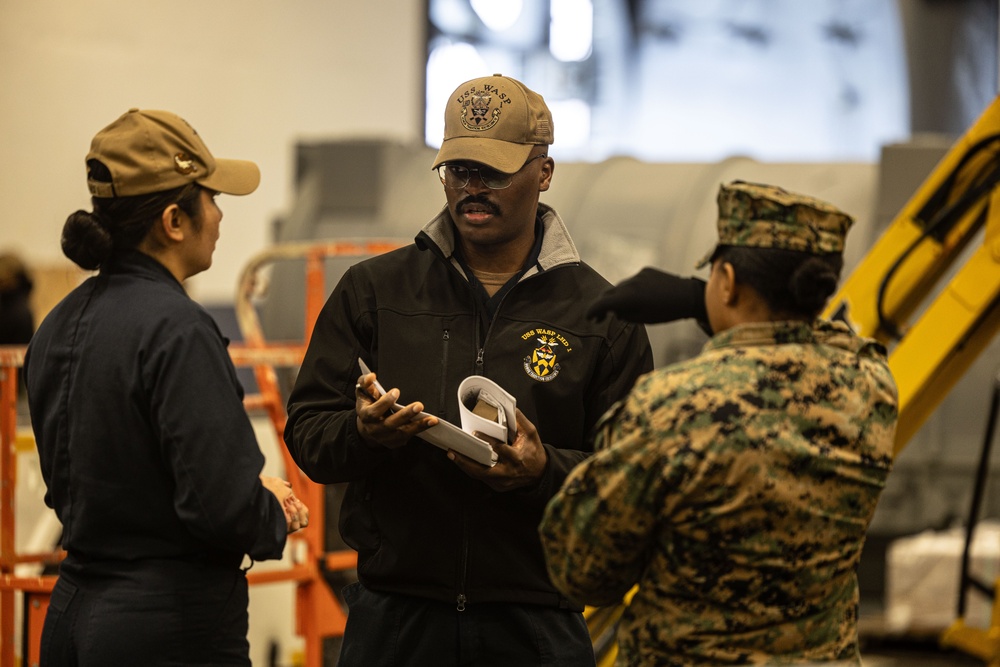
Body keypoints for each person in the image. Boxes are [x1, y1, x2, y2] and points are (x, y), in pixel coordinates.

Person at [283, 74, 653, 666]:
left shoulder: (603, 317)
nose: (472, 188)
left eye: (495, 172)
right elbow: (307, 433)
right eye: (458, 171)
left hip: (536, 627)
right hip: (395, 626)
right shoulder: (373, 293)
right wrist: (364, 434)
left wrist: (542, 470)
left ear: (545, 172)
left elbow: (636, 483)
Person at [539, 181, 899, 666]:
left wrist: (701, 303)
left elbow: (583, 571)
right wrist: (712, 304)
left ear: (727, 280)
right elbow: (837, 341)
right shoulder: (871, 386)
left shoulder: (675, 404)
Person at [24, 108, 309, 666]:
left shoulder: (57, 324)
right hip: (167, 629)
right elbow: (222, 508)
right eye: (211, 199)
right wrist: (269, 507)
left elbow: (78, 488)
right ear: (174, 221)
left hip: (71, 618)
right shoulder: (178, 329)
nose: (221, 216)